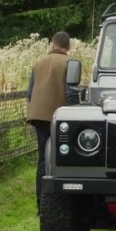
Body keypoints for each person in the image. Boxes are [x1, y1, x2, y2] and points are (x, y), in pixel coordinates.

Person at [27, 32, 79, 211]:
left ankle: (41, 204)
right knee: (65, 158)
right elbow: (71, 93)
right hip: (61, 118)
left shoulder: (38, 63)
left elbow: (29, 93)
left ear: (52, 44)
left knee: (43, 159)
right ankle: (63, 203)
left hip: (38, 116)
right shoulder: (70, 64)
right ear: (68, 46)